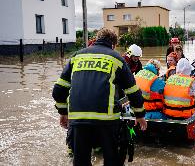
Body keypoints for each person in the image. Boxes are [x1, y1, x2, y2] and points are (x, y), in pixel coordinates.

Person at [52, 28, 147, 166]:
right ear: (113, 45)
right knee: (112, 160)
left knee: (80, 161)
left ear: (96, 39)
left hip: (78, 120)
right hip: (106, 121)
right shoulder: (117, 59)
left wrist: (63, 113)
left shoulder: (76, 57)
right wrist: (139, 115)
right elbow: (133, 91)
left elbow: (59, 90)